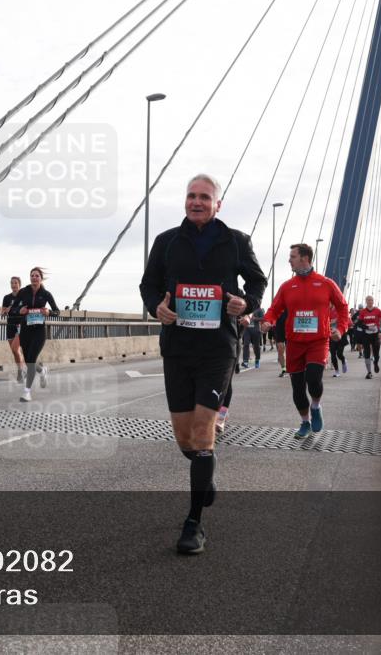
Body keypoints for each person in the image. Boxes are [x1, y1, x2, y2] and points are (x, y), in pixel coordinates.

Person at [140, 173, 267, 555]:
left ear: (218, 204)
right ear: (185, 200)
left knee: (203, 432)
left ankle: (193, 523)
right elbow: (148, 285)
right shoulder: (166, 242)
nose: (197, 202)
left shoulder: (236, 241)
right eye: (191, 196)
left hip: (218, 349)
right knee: (185, 440)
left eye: (205, 197)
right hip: (177, 348)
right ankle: (204, 475)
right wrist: (157, 308)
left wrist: (246, 303)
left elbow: (258, 282)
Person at [262, 244, 349, 439]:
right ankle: (304, 422)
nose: (289, 260)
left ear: (304, 258)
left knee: (313, 379)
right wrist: (268, 321)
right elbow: (274, 309)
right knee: (298, 388)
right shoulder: (287, 286)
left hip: (318, 341)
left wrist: (341, 330)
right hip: (295, 343)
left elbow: (343, 308)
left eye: (292, 256)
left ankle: (316, 406)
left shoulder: (326, 283)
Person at [13, 267, 60, 402]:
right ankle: (42, 371)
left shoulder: (46, 294)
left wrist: (49, 313)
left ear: (41, 278)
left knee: (31, 360)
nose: (34, 277)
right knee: (29, 361)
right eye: (32, 275)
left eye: (37, 276)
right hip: (26, 330)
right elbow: (14, 308)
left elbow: (57, 311)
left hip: (39, 332)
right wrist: (19, 310)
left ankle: (27, 392)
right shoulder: (23, 292)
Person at [355, 296, 381, 379]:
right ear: (366, 301)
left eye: (371, 300)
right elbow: (359, 324)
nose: (370, 301)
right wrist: (367, 327)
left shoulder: (378, 311)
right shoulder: (362, 312)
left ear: (373, 301)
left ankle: (375, 363)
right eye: (368, 300)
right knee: (367, 353)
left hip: (375, 335)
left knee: (376, 355)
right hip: (366, 335)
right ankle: (369, 372)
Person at [2, 276, 26, 383]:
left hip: (20, 325)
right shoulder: (7, 298)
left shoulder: (24, 297)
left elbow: (26, 310)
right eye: (12, 283)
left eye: (16, 283)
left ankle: (21, 372)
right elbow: (2, 313)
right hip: (10, 325)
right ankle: (22, 368)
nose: (14, 285)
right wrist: (6, 310)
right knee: (14, 351)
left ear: (19, 284)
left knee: (16, 349)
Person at [241, 305, 263, 369]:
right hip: (247, 330)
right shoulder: (246, 308)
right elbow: (241, 316)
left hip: (256, 330)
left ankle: (257, 360)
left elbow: (263, 318)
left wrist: (255, 319)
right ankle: (245, 362)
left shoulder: (259, 309)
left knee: (256, 347)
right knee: (246, 344)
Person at [329, 305, 348, 377]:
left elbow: (345, 320)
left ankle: (343, 361)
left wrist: (336, 320)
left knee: (339, 354)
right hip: (331, 334)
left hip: (341, 334)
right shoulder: (326, 310)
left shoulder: (339, 310)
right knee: (333, 354)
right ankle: (337, 371)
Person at [273, 310, 288, 377]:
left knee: (290, 350)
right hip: (279, 328)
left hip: (289, 327)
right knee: (280, 349)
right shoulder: (278, 301)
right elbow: (272, 311)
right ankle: (284, 369)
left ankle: (290, 367)